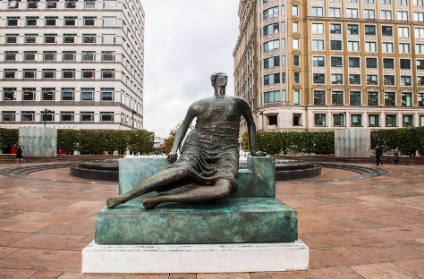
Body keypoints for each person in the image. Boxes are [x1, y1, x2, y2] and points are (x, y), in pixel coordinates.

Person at [107, 72, 265, 209]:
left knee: (223, 189)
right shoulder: (199, 104)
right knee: (181, 170)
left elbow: (251, 123)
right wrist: (174, 149)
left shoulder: (238, 102)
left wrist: (253, 150)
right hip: (198, 144)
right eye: (219, 77)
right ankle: (124, 197)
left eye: (225, 77)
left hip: (226, 150)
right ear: (213, 81)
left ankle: (162, 199)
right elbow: (184, 125)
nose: (222, 79)